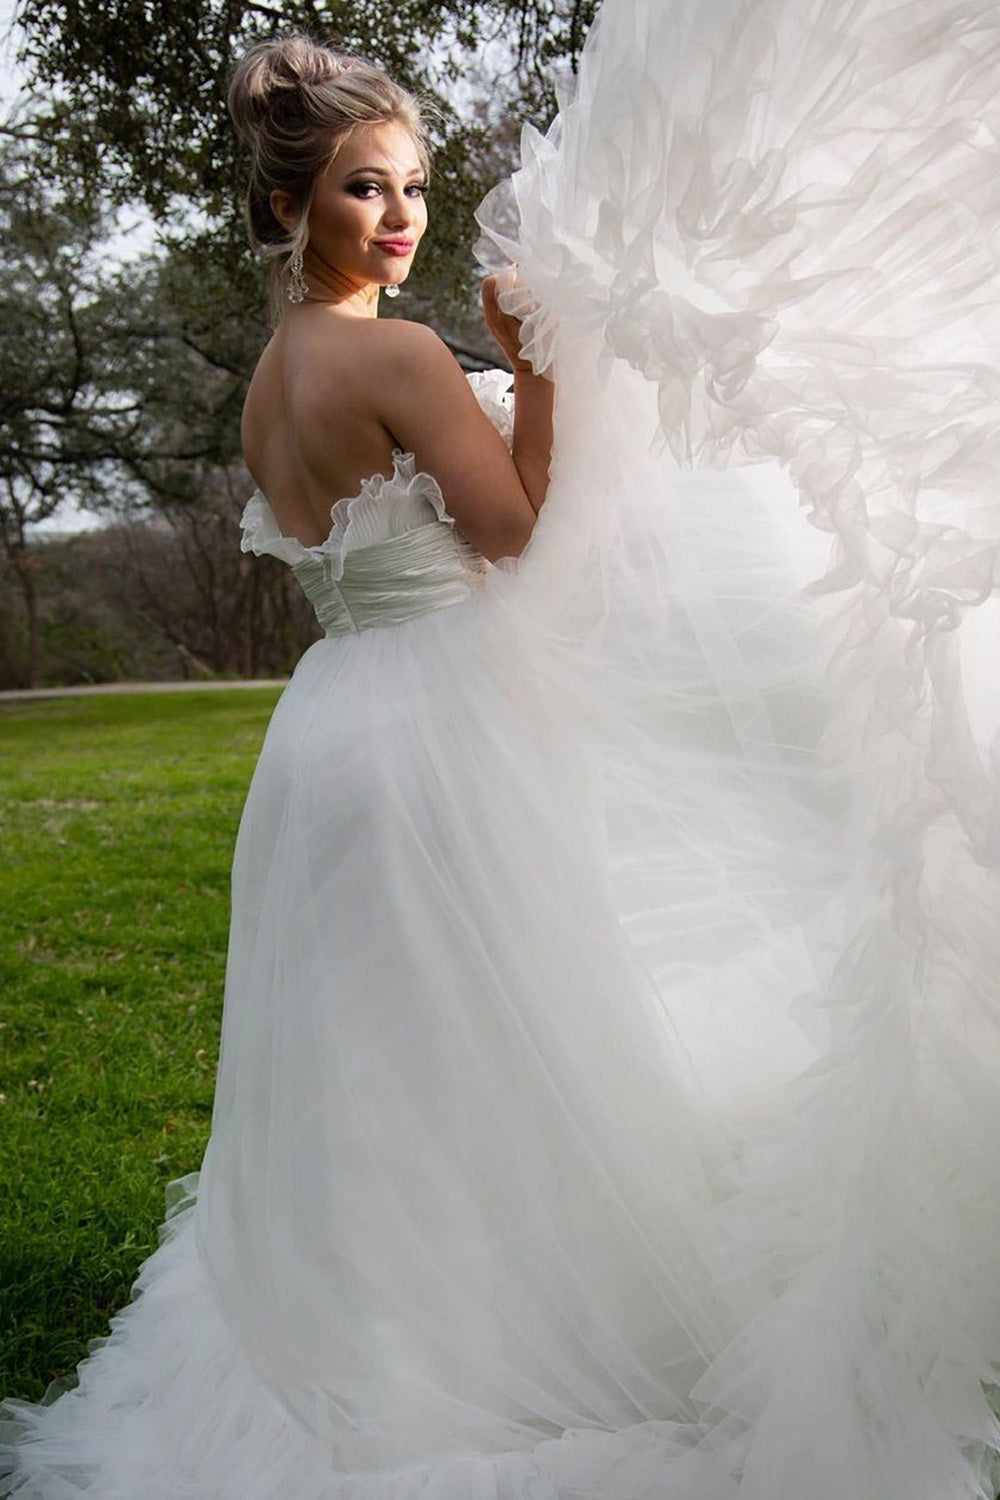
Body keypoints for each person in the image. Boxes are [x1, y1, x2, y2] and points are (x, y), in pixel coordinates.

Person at [3, 3, 1000, 1498]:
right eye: (364, 188)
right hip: (438, 722)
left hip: (329, 721)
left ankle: (377, 1317)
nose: (399, 216)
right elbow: (518, 537)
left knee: (385, 1051)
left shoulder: (271, 376)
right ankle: (508, 1332)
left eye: (410, 185)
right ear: (289, 204)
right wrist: (535, 368)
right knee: (510, 1030)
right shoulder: (401, 356)